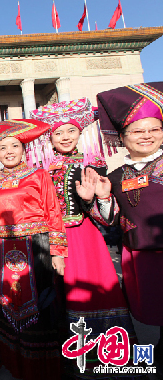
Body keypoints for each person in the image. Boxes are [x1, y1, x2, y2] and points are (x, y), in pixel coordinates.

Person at [30, 99, 139, 378]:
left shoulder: (93, 166)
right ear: (49, 137)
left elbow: (108, 218)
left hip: (83, 238)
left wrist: (96, 199)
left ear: (80, 133)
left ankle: (100, 356)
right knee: (51, 294)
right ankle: (61, 354)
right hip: (47, 238)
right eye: (58, 133)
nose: (65, 137)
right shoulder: (40, 169)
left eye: (70, 131)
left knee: (87, 292)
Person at [0, 119, 67, 380]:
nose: (9, 151)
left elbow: (53, 212)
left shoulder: (38, 175)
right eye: (3, 148)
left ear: (24, 149)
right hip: (2, 247)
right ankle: (15, 362)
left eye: (14, 146)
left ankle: (42, 368)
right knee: (9, 303)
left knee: (40, 305)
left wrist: (58, 252)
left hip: (36, 247)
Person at [92, 82, 163, 362]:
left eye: (154, 130)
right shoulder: (118, 174)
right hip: (139, 252)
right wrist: (103, 198)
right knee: (156, 308)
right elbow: (109, 219)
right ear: (122, 136)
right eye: (137, 131)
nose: (146, 136)